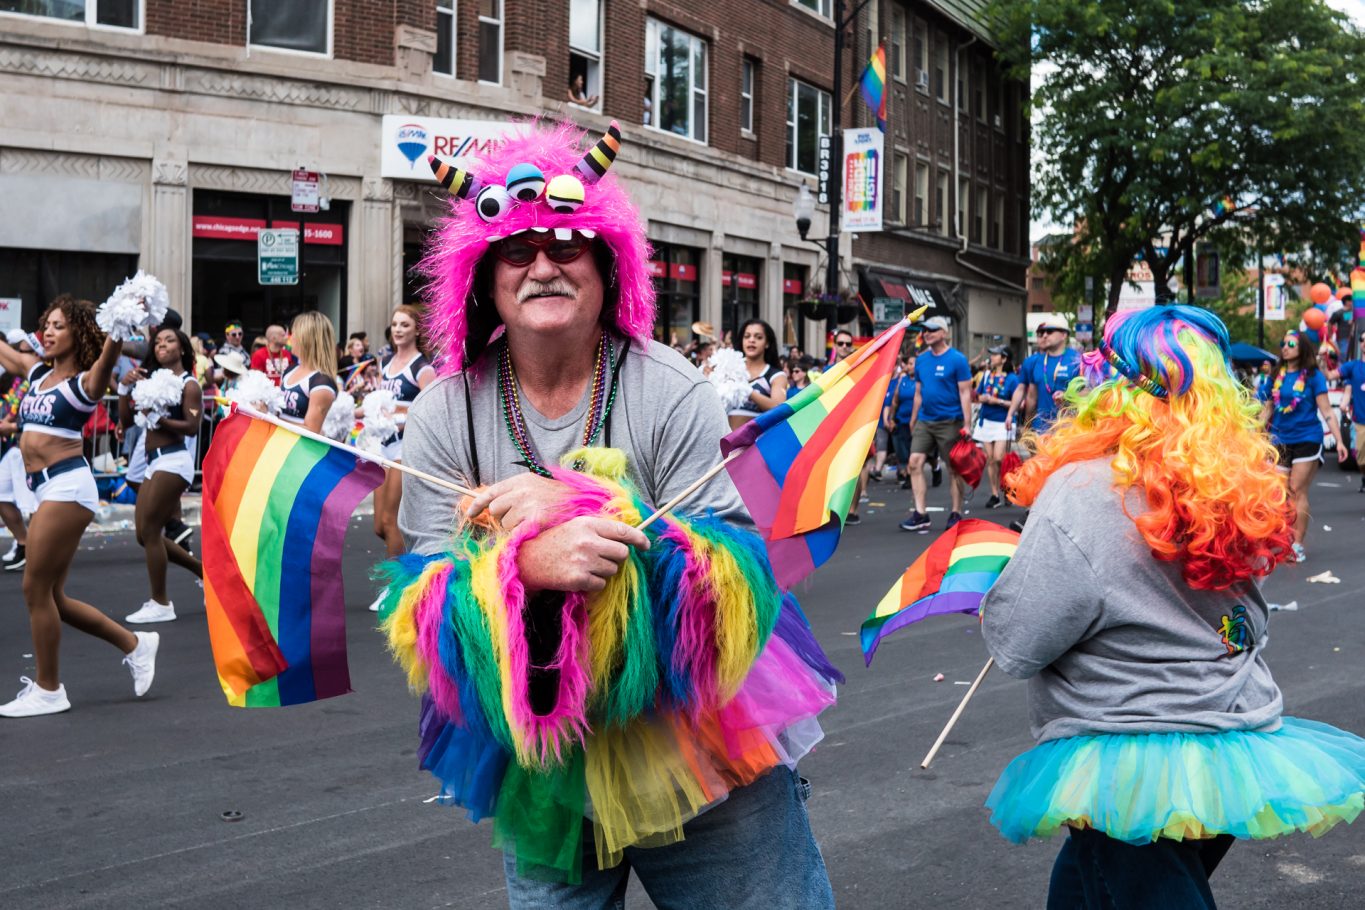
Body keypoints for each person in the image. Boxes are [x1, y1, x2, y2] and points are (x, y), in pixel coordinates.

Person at [388, 121, 838, 904]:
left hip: (695, 738)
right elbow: (427, 609)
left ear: (604, 267)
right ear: (485, 279)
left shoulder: (672, 389)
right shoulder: (441, 413)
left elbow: (736, 575)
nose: (542, 267)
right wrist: (525, 561)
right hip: (544, 760)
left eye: (565, 245)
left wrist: (576, 508)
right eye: (517, 252)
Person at [980, 305, 1365, 908]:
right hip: (1229, 747)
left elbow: (1018, 642)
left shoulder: (1083, 489)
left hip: (1128, 756)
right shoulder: (1227, 482)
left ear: (1112, 387)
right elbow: (1250, 621)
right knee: (1086, 887)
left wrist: (1003, 588)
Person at [0, 294, 158, 717]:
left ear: (78, 333)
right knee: (55, 598)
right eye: (45, 326)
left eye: (57, 326)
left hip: (67, 488)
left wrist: (120, 326)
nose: (47, 333)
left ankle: (49, 690)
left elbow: (108, 358)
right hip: (47, 492)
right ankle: (137, 644)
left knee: (34, 588)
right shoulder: (36, 376)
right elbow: (8, 356)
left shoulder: (85, 384)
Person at [119, 328, 205, 624]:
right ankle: (203, 572)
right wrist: (122, 388)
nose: (161, 345)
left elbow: (192, 426)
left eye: (169, 340)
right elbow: (127, 421)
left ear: (182, 349)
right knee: (143, 535)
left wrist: (162, 419)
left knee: (152, 530)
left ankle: (161, 602)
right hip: (152, 463)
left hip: (174, 461)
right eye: (157, 342)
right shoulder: (150, 381)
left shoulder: (189, 384)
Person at [1258, 330, 1346, 561]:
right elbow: (1267, 408)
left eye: (1290, 343)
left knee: (1297, 490)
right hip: (1280, 438)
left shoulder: (1313, 376)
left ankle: (1297, 545)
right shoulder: (1276, 374)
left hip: (1307, 437)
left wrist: (1339, 441)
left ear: (1302, 348)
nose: (1284, 347)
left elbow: (1326, 410)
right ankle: (1282, 538)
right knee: (1278, 493)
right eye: (1282, 343)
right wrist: (1253, 433)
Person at [370, 305, 436, 563]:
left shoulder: (422, 368)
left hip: (404, 449)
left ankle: (393, 587)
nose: (398, 330)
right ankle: (409, 566)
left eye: (405, 325)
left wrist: (401, 421)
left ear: (417, 330)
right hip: (381, 446)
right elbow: (377, 402)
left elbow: (431, 413)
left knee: (391, 520)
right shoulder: (384, 363)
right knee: (378, 525)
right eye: (395, 324)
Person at [899, 316, 973, 532]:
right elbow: (919, 394)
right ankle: (921, 514)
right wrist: (914, 419)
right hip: (925, 419)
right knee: (914, 462)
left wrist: (967, 425)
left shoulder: (957, 359)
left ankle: (956, 512)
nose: (927, 333)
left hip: (950, 421)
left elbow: (965, 393)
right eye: (925, 330)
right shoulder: (921, 360)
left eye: (932, 329)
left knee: (954, 469)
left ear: (943, 333)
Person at [0, 331, 39, 572]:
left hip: (28, 448)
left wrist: (11, 426)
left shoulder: (40, 381)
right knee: (2, 496)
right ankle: (24, 543)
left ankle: (36, 553)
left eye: (23, 351)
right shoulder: (13, 379)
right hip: (11, 448)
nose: (18, 355)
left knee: (32, 504)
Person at [973, 345, 1019, 509]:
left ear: (1004, 358)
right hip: (986, 422)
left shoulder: (1012, 379)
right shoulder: (986, 376)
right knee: (991, 460)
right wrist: (981, 398)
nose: (992, 357)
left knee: (1000, 458)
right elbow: (977, 395)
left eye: (995, 355)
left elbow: (1017, 403)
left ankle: (1007, 488)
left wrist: (997, 401)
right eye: (991, 354)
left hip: (1003, 422)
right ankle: (994, 494)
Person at [278, 312, 338, 434]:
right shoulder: (290, 370)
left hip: (301, 450)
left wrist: (271, 419)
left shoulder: (321, 381)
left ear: (306, 339)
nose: (289, 338)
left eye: (293, 333)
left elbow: (311, 430)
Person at [726, 319, 787, 430]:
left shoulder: (776, 376)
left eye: (758, 337)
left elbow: (779, 408)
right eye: (747, 336)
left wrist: (749, 392)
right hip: (725, 442)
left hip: (757, 443)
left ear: (767, 343)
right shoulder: (729, 369)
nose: (751, 340)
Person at [1336, 328, 1365, 491]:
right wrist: (1324, 361)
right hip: (1360, 420)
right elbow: (1332, 375)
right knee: (1361, 459)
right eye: (1362, 339)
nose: (1364, 342)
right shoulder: (1353, 367)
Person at [887, 354, 917, 485]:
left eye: (913, 364)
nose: (910, 366)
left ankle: (934, 468)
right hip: (902, 420)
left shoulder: (922, 382)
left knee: (914, 450)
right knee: (902, 450)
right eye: (909, 363)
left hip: (917, 422)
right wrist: (891, 418)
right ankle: (907, 473)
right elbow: (895, 401)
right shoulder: (902, 381)